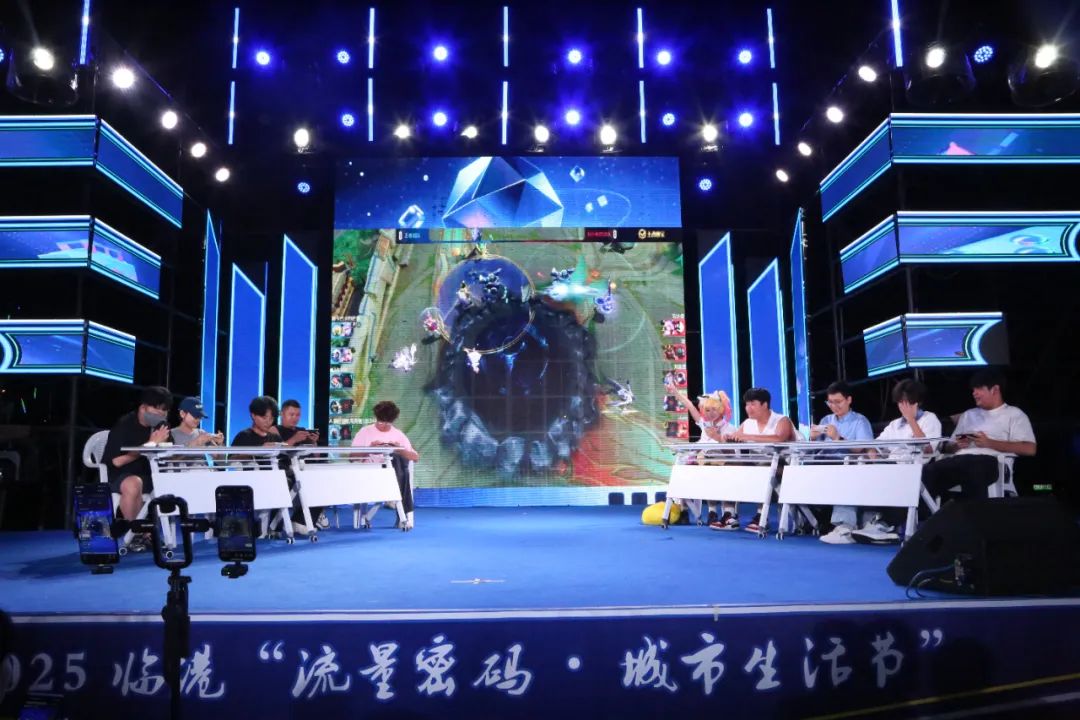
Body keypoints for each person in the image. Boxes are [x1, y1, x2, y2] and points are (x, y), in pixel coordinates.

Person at [842, 378, 942, 545]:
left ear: (917, 402)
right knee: (862, 471)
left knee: (890, 474)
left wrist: (911, 420)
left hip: (916, 468)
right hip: (891, 466)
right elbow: (877, 444)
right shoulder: (895, 424)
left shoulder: (930, 419)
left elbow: (928, 449)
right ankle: (867, 523)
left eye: (907, 402)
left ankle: (885, 525)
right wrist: (872, 452)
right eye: (900, 403)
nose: (903, 407)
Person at [922, 369, 1036, 503]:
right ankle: (924, 515)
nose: (974, 393)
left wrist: (990, 443)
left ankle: (976, 513)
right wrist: (957, 445)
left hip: (992, 462)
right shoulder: (968, 414)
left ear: (995, 390)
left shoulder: (1014, 414)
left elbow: (1030, 449)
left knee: (974, 469)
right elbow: (948, 447)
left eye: (979, 389)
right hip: (959, 460)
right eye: (973, 389)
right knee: (925, 473)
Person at [100, 386, 173, 551]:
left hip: (150, 474)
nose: (161, 414)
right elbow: (116, 461)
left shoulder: (161, 426)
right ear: (143, 407)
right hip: (121, 475)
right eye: (157, 408)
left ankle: (157, 535)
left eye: (164, 410)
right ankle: (136, 534)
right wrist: (149, 445)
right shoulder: (125, 424)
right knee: (134, 484)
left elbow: (169, 453)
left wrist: (162, 447)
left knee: (169, 482)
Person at [715, 388, 796, 533]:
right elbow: (736, 439)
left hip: (783, 466)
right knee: (731, 465)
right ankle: (729, 515)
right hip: (757, 463)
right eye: (747, 404)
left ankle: (761, 517)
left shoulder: (782, 420)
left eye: (753, 404)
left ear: (765, 405)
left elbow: (779, 438)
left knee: (763, 469)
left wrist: (747, 436)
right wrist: (728, 439)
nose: (748, 408)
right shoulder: (747, 423)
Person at [809, 383, 876, 545]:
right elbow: (814, 448)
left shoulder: (859, 421)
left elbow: (861, 448)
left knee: (844, 476)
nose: (834, 406)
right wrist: (812, 438)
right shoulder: (826, 420)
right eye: (830, 402)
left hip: (847, 464)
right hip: (823, 462)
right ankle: (803, 521)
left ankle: (844, 526)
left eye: (838, 402)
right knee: (797, 473)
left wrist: (838, 438)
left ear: (849, 400)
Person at [666, 384, 734, 525]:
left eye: (714, 409)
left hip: (721, 466)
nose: (710, 413)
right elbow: (689, 405)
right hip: (701, 462)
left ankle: (713, 512)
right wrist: (676, 393)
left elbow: (732, 453)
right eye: (707, 410)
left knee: (711, 471)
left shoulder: (729, 428)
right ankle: (684, 511)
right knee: (682, 471)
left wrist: (718, 438)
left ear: (721, 409)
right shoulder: (704, 424)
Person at [352, 401, 419, 528]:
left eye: (387, 422)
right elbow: (352, 457)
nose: (383, 426)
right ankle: (402, 515)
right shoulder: (365, 432)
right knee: (402, 471)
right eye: (381, 422)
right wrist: (370, 449)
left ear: (393, 420)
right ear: (376, 418)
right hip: (371, 475)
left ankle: (395, 496)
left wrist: (399, 449)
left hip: (394, 474)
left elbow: (415, 457)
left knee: (397, 459)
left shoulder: (398, 434)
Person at [276, 399, 327, 528]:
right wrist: (294, 439)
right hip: (286, 469)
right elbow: (277, 450)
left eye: (298, 415)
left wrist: (313, 442)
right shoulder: (275, 429)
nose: (295, 418)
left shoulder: (302, 431)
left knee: (325, 480)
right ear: (282, 414)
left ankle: (302, 520)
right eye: (291, 414)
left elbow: (316, 457)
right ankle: (300, 521)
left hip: (306, 468)